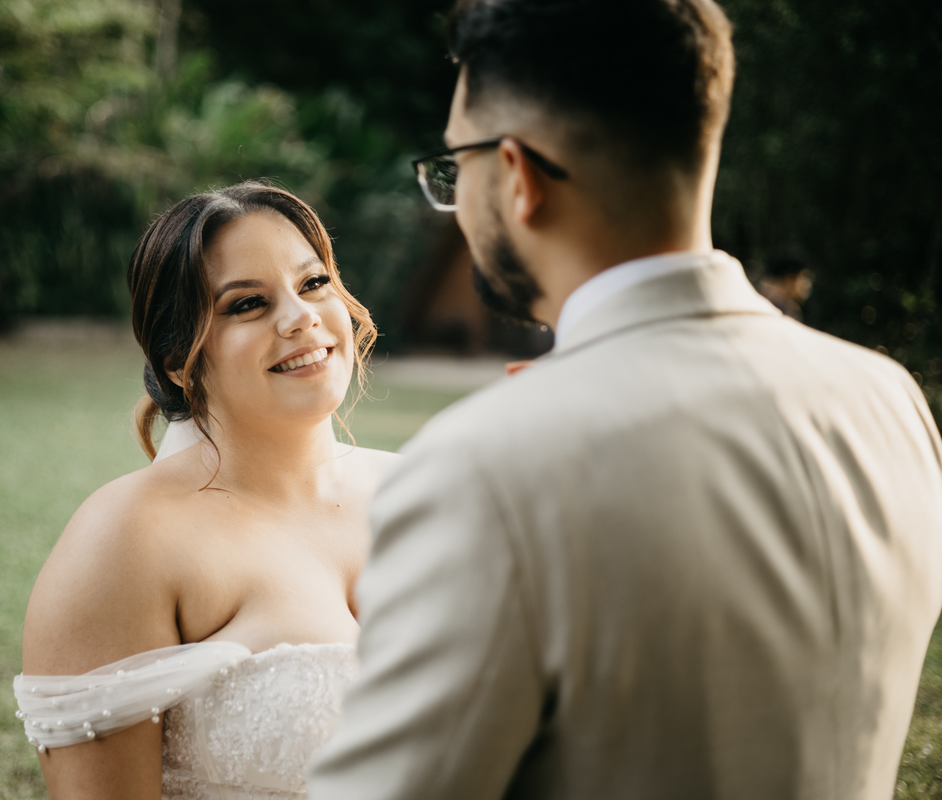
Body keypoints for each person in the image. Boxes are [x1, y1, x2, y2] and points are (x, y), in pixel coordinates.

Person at [309, 1, 942, 799]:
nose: (456, 201)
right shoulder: (886, 399)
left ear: (517, 176)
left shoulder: (485, 466)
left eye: (455, 166)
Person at [15, 181, 398, 799]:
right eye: (247, 304)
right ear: (178, 358)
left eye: (313, 283)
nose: (301, 318)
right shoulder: (126, 538)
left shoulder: (426, 488)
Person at [759, 247, 815, 321]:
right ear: (790, 278)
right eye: (805, 279)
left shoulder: (757, 295)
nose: (808, 286)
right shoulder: (786, 308)